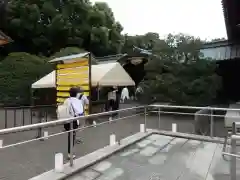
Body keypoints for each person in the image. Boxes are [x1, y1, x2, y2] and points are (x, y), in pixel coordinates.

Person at [63, 87, 84, 159]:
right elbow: (80, 112)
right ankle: (70, 153)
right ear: (76, 94)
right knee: (72, 136)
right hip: (74, 121)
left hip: (66, 121)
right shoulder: (78, 101)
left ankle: (70, 152)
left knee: (70, 135)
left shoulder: (66, 100)